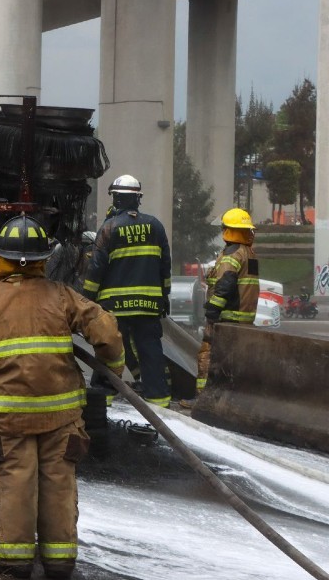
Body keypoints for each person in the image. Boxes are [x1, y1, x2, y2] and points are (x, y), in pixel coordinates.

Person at [0, 214, 124, 579]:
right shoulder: (63, 296)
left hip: (6, 418)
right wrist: (116, 367)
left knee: (15, 481)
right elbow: (107, 334)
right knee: (59, 484)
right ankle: (59, 561)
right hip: (60, 416)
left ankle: (14, 559)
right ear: (43, 260)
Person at [81, 175, 173, 408]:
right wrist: (164, 296)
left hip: (115, 306)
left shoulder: (109, 228)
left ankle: (103, 398)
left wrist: (86, 301)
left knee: (110, 349)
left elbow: (96, 269)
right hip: (149, 304)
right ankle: (159, 400)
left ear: (117, 198)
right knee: (150, 350)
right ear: (138, 199)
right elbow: (165, 266)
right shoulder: (156, 226)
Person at [185, 208, 259, 405]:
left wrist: (212, 310)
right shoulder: (249, 253)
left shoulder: (231, 254)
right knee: (234, 363)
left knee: (207, 357)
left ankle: (203, 401)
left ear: (227, 230)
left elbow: (225, 284)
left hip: (226, 319)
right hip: (244, 319)